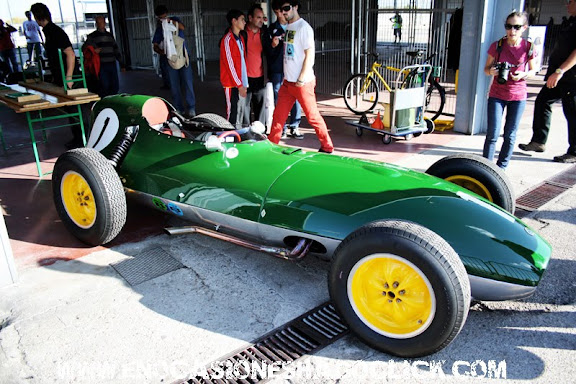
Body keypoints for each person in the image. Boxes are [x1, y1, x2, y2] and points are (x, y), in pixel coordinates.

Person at [268, 1, 334, 153]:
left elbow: (309, 55)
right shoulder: (289, 27)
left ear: (295, 7)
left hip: (302, 83)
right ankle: (271, 146)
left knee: (312, 116)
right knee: (278, 117)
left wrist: (301, 78)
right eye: (281, 9)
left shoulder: (304, 28)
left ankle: (327, 146)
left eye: (286, 8)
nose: (284, 12)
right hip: (288, 83)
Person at [519, 0, 576, 163]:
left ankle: (574, 151)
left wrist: (559, 71)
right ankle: (538, 141)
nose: (567, 5)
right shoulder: (571, 21)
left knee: (572, 113)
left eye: (570, 1)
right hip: (557, 75)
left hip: (569, 77)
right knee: (543, 101)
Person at [482, 11, 538, 170]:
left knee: (510, 135)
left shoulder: (528, 47)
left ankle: (502, 168)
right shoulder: (497, 45)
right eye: (508, 26)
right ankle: (487, 167)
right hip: (496, 94)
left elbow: (534, 70)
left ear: (524, 28)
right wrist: (491, 71)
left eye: (516, 27)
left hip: (518, 95)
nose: (512, 30)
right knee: (492, 134)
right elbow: (486, 69)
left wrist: (524, 74)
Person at [31, 3, 83, 149]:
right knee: (70, 110)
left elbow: (70, 54)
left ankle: (81, 140)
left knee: (75, 111)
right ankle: (78, 138)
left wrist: (69, 78)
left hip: (70, 79)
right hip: (61, 78)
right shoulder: (48, 31)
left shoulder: (55, 31)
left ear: (37, 17)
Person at [263, 0, 303, 139]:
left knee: (296, 96)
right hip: (278, 69)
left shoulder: (296, 27)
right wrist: (273, 46)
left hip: (294, 69)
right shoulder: (271, 29)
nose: (280, 15)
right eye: (277, 12)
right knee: (279, 97)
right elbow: (267, 51)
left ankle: (295, 126)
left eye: (282, 11)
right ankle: (283, 127)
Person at [152, 5, 196, 118]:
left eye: (164, 16)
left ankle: (191, 108)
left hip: (183, 57)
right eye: (161, 18)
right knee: (174, 85)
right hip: (170, 60)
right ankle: (179, 109)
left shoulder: (175, 21)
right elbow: (155, 45)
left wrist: (169, 21)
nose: (163, 19)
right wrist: (161, 51)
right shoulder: (159, 29)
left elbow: (182, 27)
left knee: (188, 83)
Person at [219, 9, 248, 127]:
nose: (244, 22)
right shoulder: (227, 40)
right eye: (242, 20)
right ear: (234, 21)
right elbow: (230, 65)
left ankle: (238, 132)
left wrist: (244, 82)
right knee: (232, 110)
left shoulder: (240, 38)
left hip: (240, 82)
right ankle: (229, 133)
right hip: (231, 84)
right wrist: (239, 84)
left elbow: (242, 62)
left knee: (240, 109)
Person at [83, 15, 124, 97]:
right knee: (104, 85)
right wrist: (93, 51)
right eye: (98, 23)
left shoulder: (110, 36)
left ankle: (113, 101)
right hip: (100, 65)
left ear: (105, 23)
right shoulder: (92, 36)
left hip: (111, 63)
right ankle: (105, 102)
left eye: (101, 22)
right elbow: (84, 48)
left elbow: (116, 49)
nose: (100, 24)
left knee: (115, 85)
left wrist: (122, 64)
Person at [244, 4, 266, 126]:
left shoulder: (265, 33)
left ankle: (259, 133)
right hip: (245, 77)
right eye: (258, 17)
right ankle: (246, 134)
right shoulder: (241, 33)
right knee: (245, 108)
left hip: (261, 77)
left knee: (260, 108)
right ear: (250, 18)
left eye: (262, 17)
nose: (261, 20)